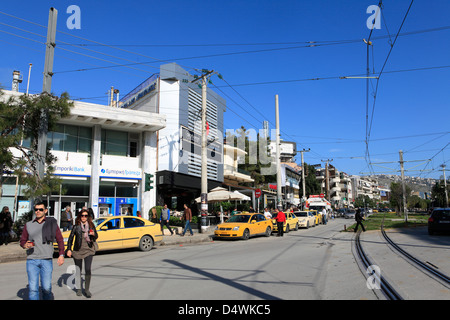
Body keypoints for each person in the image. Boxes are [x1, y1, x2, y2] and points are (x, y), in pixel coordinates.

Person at [20, 201, 65, 300]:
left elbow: (60, 239)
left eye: (41, 209)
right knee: (33, 289)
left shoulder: (51, 224)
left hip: (46, 259)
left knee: (46, 288)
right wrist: (25, 245)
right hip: (32, 260)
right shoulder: (29, 225)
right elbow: (22, 240)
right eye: (36, 209)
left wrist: (61, 254)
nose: (38, 211)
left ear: (45, 210)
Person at [66, 209, 98, 298]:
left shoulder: (91, 225)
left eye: (86, 216)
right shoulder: (76, 226)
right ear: (79, 216)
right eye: (82, 216)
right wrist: (69, 249)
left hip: (89, 249)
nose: (84, 217)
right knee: (78, 270)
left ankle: (87, 290)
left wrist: (93, 234)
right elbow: (71, 238)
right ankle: (79, 289)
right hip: (78, 250)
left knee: (88, 269)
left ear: (88, 217)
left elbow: (96, 236)